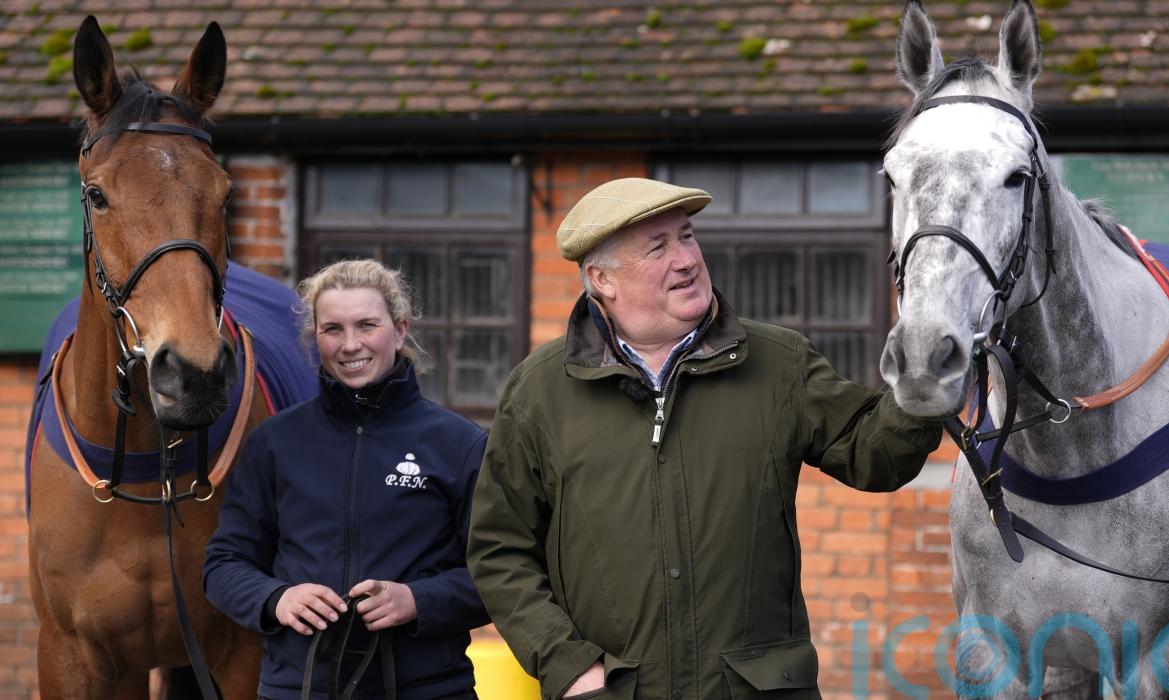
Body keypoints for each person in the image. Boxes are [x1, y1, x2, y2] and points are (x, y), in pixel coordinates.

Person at [466, 178, 943, 699]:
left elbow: (877, 455)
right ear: (602, 279)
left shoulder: (780, 363)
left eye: (687, 236)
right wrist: (569, 667)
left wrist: (923, 379)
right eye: (658, 248)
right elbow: (500, 552)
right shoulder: (538, 392)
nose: (686, 259)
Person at [204, 259, 489, 699]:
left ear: (399, 330)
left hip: (428, 689)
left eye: (366, 325)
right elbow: (223, 565)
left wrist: (418, 600)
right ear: (315, 336)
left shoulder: (460, 444)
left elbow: (500, 575)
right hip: (296, 689)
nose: (350, 344)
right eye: (332, 329)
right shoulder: (274, 444)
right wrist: (277, 598)